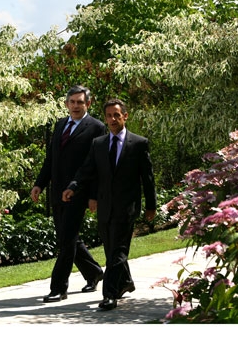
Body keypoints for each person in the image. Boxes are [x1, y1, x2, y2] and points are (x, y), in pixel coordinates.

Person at [62, 98, 156, 310]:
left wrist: (151, 205)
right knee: (111, 250)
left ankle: (109, 295)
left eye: (116, 115)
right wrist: (73, 187)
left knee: (118, 251)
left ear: (125, 116)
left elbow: (147, 178)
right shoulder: (99, 144)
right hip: (105, 207)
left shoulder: (139, 143)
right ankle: (125, 282)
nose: (112, 119)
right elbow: (86, 171)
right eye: (109, 116)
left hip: (127, 207)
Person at [31, 85, 106, 303]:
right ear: (66, 104)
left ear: (88, 104)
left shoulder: (96, 128)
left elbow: (96, 166)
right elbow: (51, 159)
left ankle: (58, 288)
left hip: (79, 193)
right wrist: (39, 184)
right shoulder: (61, 124)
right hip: (57, 191)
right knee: (67, 238)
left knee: (66, 241)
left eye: (80, 102)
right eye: (72, 102)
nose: (75, 106)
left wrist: (93, 195)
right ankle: (93, 272)